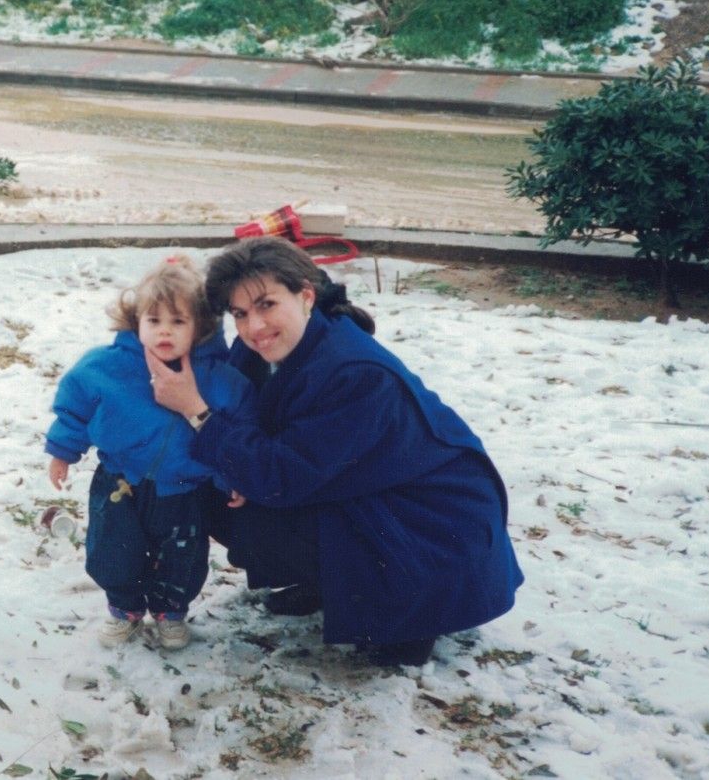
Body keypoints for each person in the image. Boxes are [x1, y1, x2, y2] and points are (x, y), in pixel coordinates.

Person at [146, 237, 523, 666]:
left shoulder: (355, 372)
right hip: (370, 496)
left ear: (305, 295)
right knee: (218, 492)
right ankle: (336, 585)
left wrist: (196, 411)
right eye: (240, 313)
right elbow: (247, 425)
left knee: (253, 506)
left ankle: (409, 620)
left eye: (267, 305)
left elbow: (279, 477)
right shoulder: (269, 346)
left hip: (433, 530)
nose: (254, 327)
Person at [46, 256, 253, 651]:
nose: (164, 331)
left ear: (200, 326)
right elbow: (75, 407)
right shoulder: (106, 367)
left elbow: (238, 427)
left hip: (185, 487)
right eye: (154, 320)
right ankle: (123, 607)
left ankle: (170, 611)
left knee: (183, 555)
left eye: (178, 321)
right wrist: (62, 451)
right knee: (113, 549)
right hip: (119, 479)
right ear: (136, 320)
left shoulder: (220, 379)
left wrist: (232, 476)